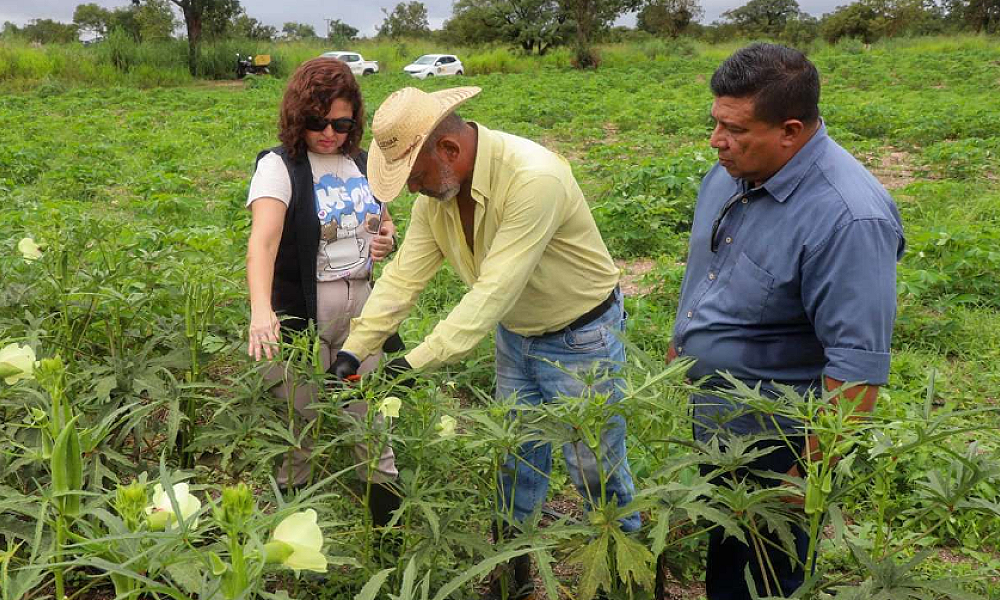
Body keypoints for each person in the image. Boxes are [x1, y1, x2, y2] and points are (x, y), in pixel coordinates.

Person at [328, 86, 639, 599]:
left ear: (448, 151)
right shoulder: (441, 196)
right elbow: (404, 277)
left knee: (595, 466)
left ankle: (622, 575)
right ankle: (512, 575)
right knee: (514, 458)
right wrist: (354, 350)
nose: (411, 190)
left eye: (415, 177)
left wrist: (414, 361)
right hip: (516, 335)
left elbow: (494, 289)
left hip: (581, 335)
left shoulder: (532, 179)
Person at [666, 43, 905, 599]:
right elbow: (712, 264)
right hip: (718, 420)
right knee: (724, 563)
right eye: (715, 123)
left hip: (779, 443)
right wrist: (685, 340)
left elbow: (856, 367)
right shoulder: (732, 171)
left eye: (734, 129)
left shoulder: (848, 218)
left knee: (760, 581)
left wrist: (806, 478)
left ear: (791, 131)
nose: (715, 141)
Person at [245, 57, 401, 526]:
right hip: (300, 316)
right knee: (301, 428)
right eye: (317, 122)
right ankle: (298, 537)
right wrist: (260, 312)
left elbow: (384, 219)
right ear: (298, 116)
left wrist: (387, 238)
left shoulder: (362, 162)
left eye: (341, 123)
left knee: (368, 421)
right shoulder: (280, 166)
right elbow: (263, 242)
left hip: (360, 317)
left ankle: (386, 535)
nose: (329, 133)